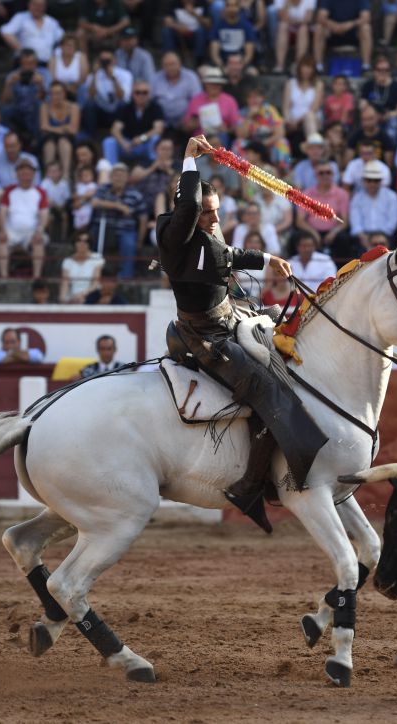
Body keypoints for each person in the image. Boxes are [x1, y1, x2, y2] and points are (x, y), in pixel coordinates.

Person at [157, 137, 329, 531]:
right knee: (265, 388)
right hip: (205, 335)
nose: (214, 219)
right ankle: (249, 485)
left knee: (279, 325)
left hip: (229, 315)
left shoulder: (203, 230)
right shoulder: (174, 233)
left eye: (217, 211)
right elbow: (189, 207)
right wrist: (188, 159)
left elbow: (229, 254)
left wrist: (269, 259)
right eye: (207, 213)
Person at [90, 162, 146, 278]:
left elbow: (143, 218)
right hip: (103, 227)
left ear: (127, 178)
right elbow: (95, 203)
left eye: (122, 175)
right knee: (91, 239)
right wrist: (117, 206)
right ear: (111, 177)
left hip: (125, 230)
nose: (119, 178)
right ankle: (92, 275)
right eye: (116, 175)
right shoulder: (103, 189)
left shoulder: (135, 194)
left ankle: (125, 278)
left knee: (129, 244)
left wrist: (140, 240)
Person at [0, 158, 48, 279]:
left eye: (28, 172)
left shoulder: (40, 192)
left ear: (33, 174)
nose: (25, 175)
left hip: (31, 231)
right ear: (17, 174)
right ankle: (4, 277)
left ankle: (36, 277)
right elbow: (2, 212)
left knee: (39, 241)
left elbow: (44, 214)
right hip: (12, 231)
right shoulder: (9, 191)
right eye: (22, 172)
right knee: (1, 241)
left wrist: (39, 230)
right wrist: (2, 230)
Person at [81, 48, 134, 139]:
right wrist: (95, 75)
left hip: (117, 112)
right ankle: (90, 137)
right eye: (102, 60)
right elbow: (90, 96)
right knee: (89, 105)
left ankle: (123, 136)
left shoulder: (125, 74)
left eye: (107, 60)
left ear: (114, 60)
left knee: (123, 105)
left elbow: (122, 97)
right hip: (101, 113)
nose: (105, 63)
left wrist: (113, 78)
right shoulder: (93, 76)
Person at [350, 160, 397, 250]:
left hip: (385, 235)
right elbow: (356, 223)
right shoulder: (357, 197)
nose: (372, 184)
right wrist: (363, 237)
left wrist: (379, 239)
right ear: (364, 181)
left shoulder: (391, 196)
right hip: (363, 236)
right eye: (369, 180)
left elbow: (392, 223)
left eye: (376, 180)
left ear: (381, 181)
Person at [312, 0, 372, 74]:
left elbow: (366, 17)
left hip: (353, 33)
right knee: (319, 28)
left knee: (366, 28)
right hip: (332, 32)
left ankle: (366, 67)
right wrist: (333, 25)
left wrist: (350, 24)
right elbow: (321, 16)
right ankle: (318, 67)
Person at [0, 0, 64, 63]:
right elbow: (6, 32)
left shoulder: (52, 22)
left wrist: (56, 55)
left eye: (40, 5)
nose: (37, 8)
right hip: (24, 63)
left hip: (46, 63)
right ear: (29, 5)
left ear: (45, 7)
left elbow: (63, 39)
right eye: (35, 4)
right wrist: (22, 51)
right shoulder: (20, 18)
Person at [151, 52, 203, 132]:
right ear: (162, 66)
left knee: (196, 127)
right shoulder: (155, 78)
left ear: (180, 64)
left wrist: (188, 118)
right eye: (167, 65)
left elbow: (197, 100)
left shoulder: (191, 77)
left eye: (173, 64)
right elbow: (150, 101)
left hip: (185, 123)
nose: (170, 67)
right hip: (162, 123)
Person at [39, 82, 80, 182]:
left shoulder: (73, 107)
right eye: (52, 93)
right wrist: (64, 128)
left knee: (63, 142)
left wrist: (51, 128)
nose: (55, 96)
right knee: (49, 144)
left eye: (58, 93)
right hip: (49, 137)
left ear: (64, 93)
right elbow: (43, 126)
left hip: (68, 138)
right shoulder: (45, 107)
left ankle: (66, 176)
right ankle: (48, 176)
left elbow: (73, 130)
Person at [59, 230, 104, 303]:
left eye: (86, 241)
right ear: (74, 242)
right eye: (79, 240)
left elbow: (95, 284)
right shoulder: (67, 262)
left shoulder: (97, 258)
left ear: (89, 244)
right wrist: (64, 299)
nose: (82, 243)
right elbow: (65, 285)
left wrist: (81, 295)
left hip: (92, 296)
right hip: (73, 298)